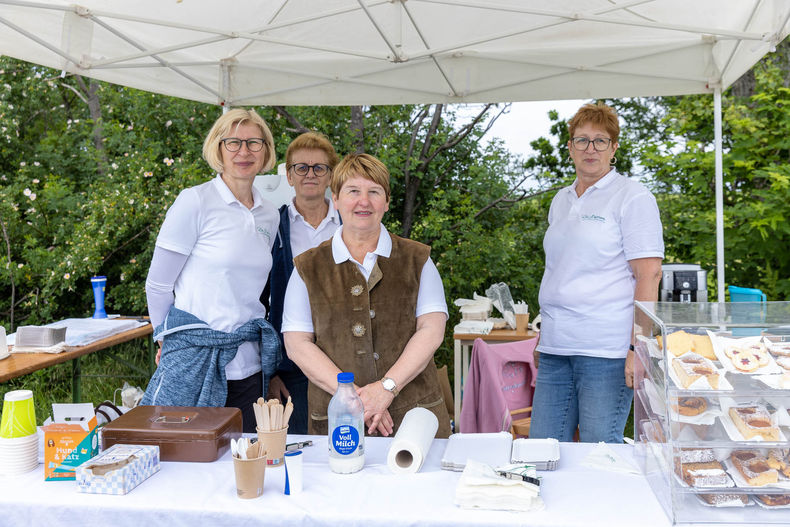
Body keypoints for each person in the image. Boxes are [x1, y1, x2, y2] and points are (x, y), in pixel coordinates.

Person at [281, 153, 451, 438]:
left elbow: (431, 331)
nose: (364, 201)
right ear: (335, 199)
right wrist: (354, 398)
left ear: (386, 202)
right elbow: (297, 344)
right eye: (353, 191)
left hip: (415, 419)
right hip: (338, 421)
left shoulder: (417, 258)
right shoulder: (307, 267)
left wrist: (387, 388)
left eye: (374, 192)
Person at [530, 102, 664, 443]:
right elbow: (560, 272)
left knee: (598, 455)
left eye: (600, 140)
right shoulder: (561, 200)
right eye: (582, 140)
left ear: (614, 147)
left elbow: (649, 275)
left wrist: (638, 348)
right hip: (556, 348)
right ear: (570, 146)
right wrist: (544, 336)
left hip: (607, 352)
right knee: (542, 451)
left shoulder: (632, 198)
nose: (591, 149)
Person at [142, 109, 281, 433]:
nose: (243, 152)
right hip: (194, 360)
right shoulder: (195, 202)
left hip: (248, 364)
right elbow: (158, 286)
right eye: (233, 142)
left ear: (266, 151)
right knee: (181, 458)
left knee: (244, 460)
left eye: (253, 143)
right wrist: (166, 340)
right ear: (218, 149)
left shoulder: (269, 215)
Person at [266, 132, 341, 435]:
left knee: (348, 441)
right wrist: (269, 373)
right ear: (288, 175)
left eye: (319, 167)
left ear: (331, 176)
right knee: (298, 447)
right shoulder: (272, 227)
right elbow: (259, 304)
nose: (310, 174)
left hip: (346, 357)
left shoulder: (350, 224)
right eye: (301, 167)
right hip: (290, 367)